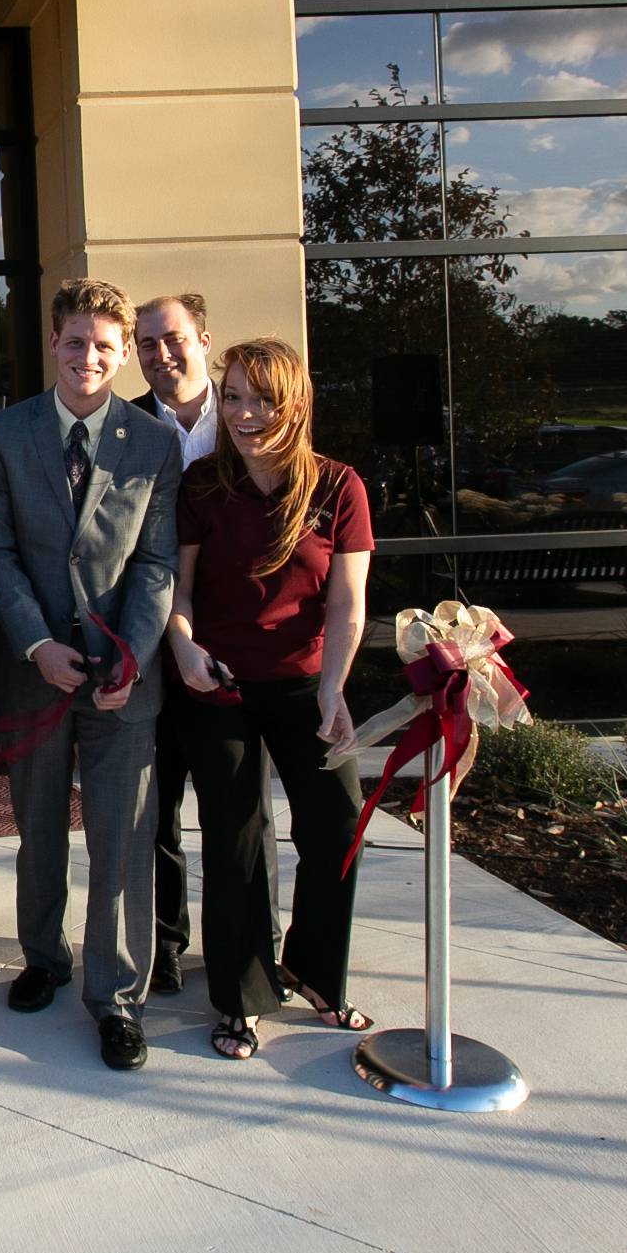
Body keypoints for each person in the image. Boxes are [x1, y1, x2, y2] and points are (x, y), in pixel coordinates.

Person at [0, 278, 181, 1072]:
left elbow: (157, 561)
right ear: (52, 343)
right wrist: (34, 645)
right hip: (35, 672)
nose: (87, 357)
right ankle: (43, 958)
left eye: (103, 345)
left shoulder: (154, 443)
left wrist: (128, 656)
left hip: (124, 678)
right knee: (37, 829)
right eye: (74, 341)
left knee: (122, 841)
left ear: (123, 352)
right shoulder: (3, 432)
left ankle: (116, 996)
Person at [166, 337, 377, 1062]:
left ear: (294, 403)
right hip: (217, 685)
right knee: (236, 838)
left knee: (336, 827)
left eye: (260, 398)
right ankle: (241, 998)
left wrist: (333, 690)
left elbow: (349, 604)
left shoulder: (338, 487)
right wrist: (184, 648)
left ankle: (314, 971)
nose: (245, 413)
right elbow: (181, 592)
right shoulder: (200, 485)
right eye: (232, 398)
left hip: (304, 684)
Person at [132, 291, 218, 999]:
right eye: (147, 344)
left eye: (172, 339)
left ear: (203, 339)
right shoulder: (125, 427)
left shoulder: (257, 418)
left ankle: (244, 945)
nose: (161, 355)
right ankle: (164, 945)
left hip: (233, 654)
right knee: (155, 814)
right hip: (150, 653)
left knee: (234, 814)